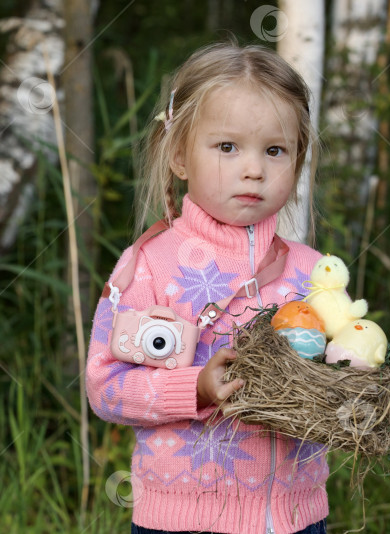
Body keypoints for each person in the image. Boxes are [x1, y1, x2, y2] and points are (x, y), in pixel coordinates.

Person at [86, 42, 329, 534]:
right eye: (227, 147)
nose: (254, 169)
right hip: (181, 519)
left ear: (299, 161)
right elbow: (104, 388)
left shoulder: (313, 274)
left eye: (275, 150)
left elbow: (338, 375)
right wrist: (194, 387)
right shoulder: (149, 267)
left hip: (297, 518)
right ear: (178, 154)